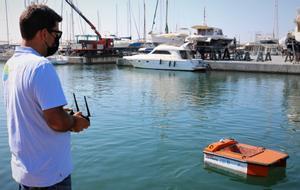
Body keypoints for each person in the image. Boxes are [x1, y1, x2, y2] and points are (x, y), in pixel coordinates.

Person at [2, 4, 90, 190]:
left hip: (25, 174)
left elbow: (27, 108)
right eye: (56, 34)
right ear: (43, 34)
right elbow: (57, 122)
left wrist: (60, 112)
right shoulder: (41, 66)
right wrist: (75, 122)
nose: (57, 39)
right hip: (49, 176)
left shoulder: (10, 65)